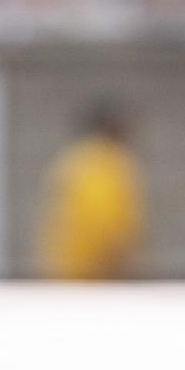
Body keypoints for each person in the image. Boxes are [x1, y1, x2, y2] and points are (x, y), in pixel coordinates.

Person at [35, 98, 144, 280]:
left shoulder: (74, 159)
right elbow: (101, 219)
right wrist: (122, 259)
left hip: (65, 270)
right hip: (91, 275)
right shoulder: (104, 162)